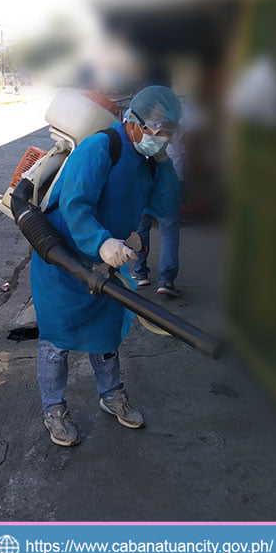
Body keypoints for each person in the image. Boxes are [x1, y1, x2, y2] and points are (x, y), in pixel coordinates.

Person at [30, 86, 183, 446]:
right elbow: (75, 205)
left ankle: (111, 394)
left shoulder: (147, 162)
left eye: (168, 134)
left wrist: (163, 161)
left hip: (107, 264)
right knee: (57, 341)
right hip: (63, 263)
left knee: (106, 332)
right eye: (156, 132)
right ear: (133, 123)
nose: (160, 140)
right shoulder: (100, 147)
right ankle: (53, 409)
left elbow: (167, 205)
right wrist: (101, 242)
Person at [132, 99, 192, 298]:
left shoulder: (144, 121)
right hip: (171, 181)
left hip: (147, 179)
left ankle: (140, 272)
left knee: (141, 226)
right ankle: (166, 280)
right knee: (169, 231)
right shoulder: (178, 122)